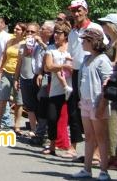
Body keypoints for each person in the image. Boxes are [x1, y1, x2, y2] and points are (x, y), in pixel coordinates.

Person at [70, 29, 113, 181]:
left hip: (98, 102)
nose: (82, 43)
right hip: (86, 102)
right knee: (89, 136)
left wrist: (102, 103)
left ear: (92, 42)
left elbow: (108, 84)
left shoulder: (102, 60)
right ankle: (86, 169)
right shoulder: (86, 59)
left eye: (85, 40)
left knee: (101, 137)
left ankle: (104, 171)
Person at [68, 0, 107, 160]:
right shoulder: (72, 32)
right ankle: (76, 146)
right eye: (74, 11)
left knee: (94, 109)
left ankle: (97, 152)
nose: (76, 13)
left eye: (79, 10)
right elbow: (71, 54)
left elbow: (104, 47)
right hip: (77, 72)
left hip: (92, 71)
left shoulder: (94, 28)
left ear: (86, 11)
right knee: (77, 110)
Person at [98, 12, 117, 171]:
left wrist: (105, 65)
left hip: (115, 85)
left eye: (106, 23)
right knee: (109, 119)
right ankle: (112, 156)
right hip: (108, 83)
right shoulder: (111, 41)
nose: (104, 26)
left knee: (115, 119)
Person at [42, 22, 73, 158]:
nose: (55, 35)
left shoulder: (71, 48)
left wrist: (63, 66)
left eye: (59, 33)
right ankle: (53, 145)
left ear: (65, 35)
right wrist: (64, 66)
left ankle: (72, 147)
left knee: (73, 118)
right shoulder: (50, 48)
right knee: (52, 117)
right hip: (55, 89)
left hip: (72, 88)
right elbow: (47, 67)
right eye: (55, 32)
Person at [0, 23, 24, 132]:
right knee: (3, 98)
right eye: (15, 28)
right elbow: (4, 57)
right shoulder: (10, 41)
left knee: (18, 100)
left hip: (19, 74)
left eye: (18, 29)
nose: (15, 30)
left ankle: (17, 125)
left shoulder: (25, 43)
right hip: (7, 72)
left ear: (23, 31)